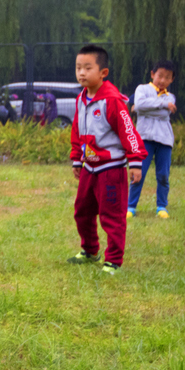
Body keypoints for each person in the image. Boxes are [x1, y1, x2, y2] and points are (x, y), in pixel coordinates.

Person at [68, 45, 147, 275]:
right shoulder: (81, 99)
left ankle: (113, 260)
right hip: (89, 167)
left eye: (87, 68)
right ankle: (90, 250)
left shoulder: (113, 101)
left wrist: (135, 162)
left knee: (111, 215)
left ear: (103, 72)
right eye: (78, 68)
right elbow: (77, 129)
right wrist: (76, 158)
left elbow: (129, 132)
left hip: (110, 169)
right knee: (82, 211)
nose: (81, 73)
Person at [129, 60, 176, 219]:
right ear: (152, 74)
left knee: (163, 174)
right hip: (144, 138)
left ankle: (161, 206)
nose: (163, 80)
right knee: (138, 173)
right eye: (160, 76)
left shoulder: (171, 96)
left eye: (167, 77)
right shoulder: (142, 89)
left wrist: (143, 108)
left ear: (171, 80)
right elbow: (139, 104)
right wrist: (163, 105)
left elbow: (148, 110)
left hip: (165, 140)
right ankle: (131, 207)